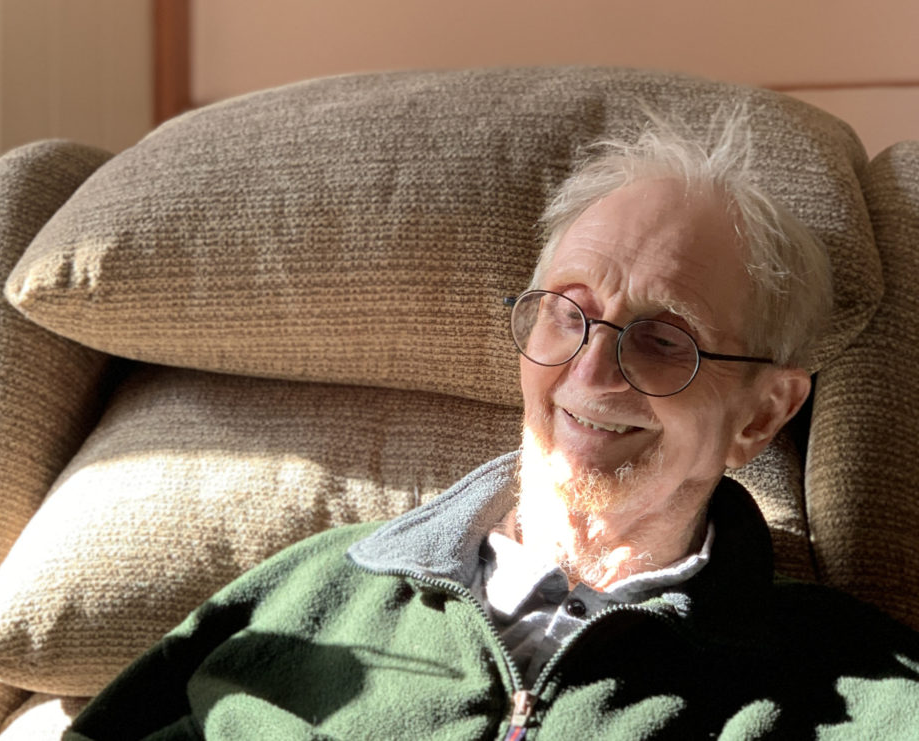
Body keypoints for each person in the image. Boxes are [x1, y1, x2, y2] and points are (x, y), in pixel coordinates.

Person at [66, 113, 919, 740]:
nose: (590, 373)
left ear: (761, 414)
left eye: (664, 341)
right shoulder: (314, 590)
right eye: (566, 314)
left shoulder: (847, 682)